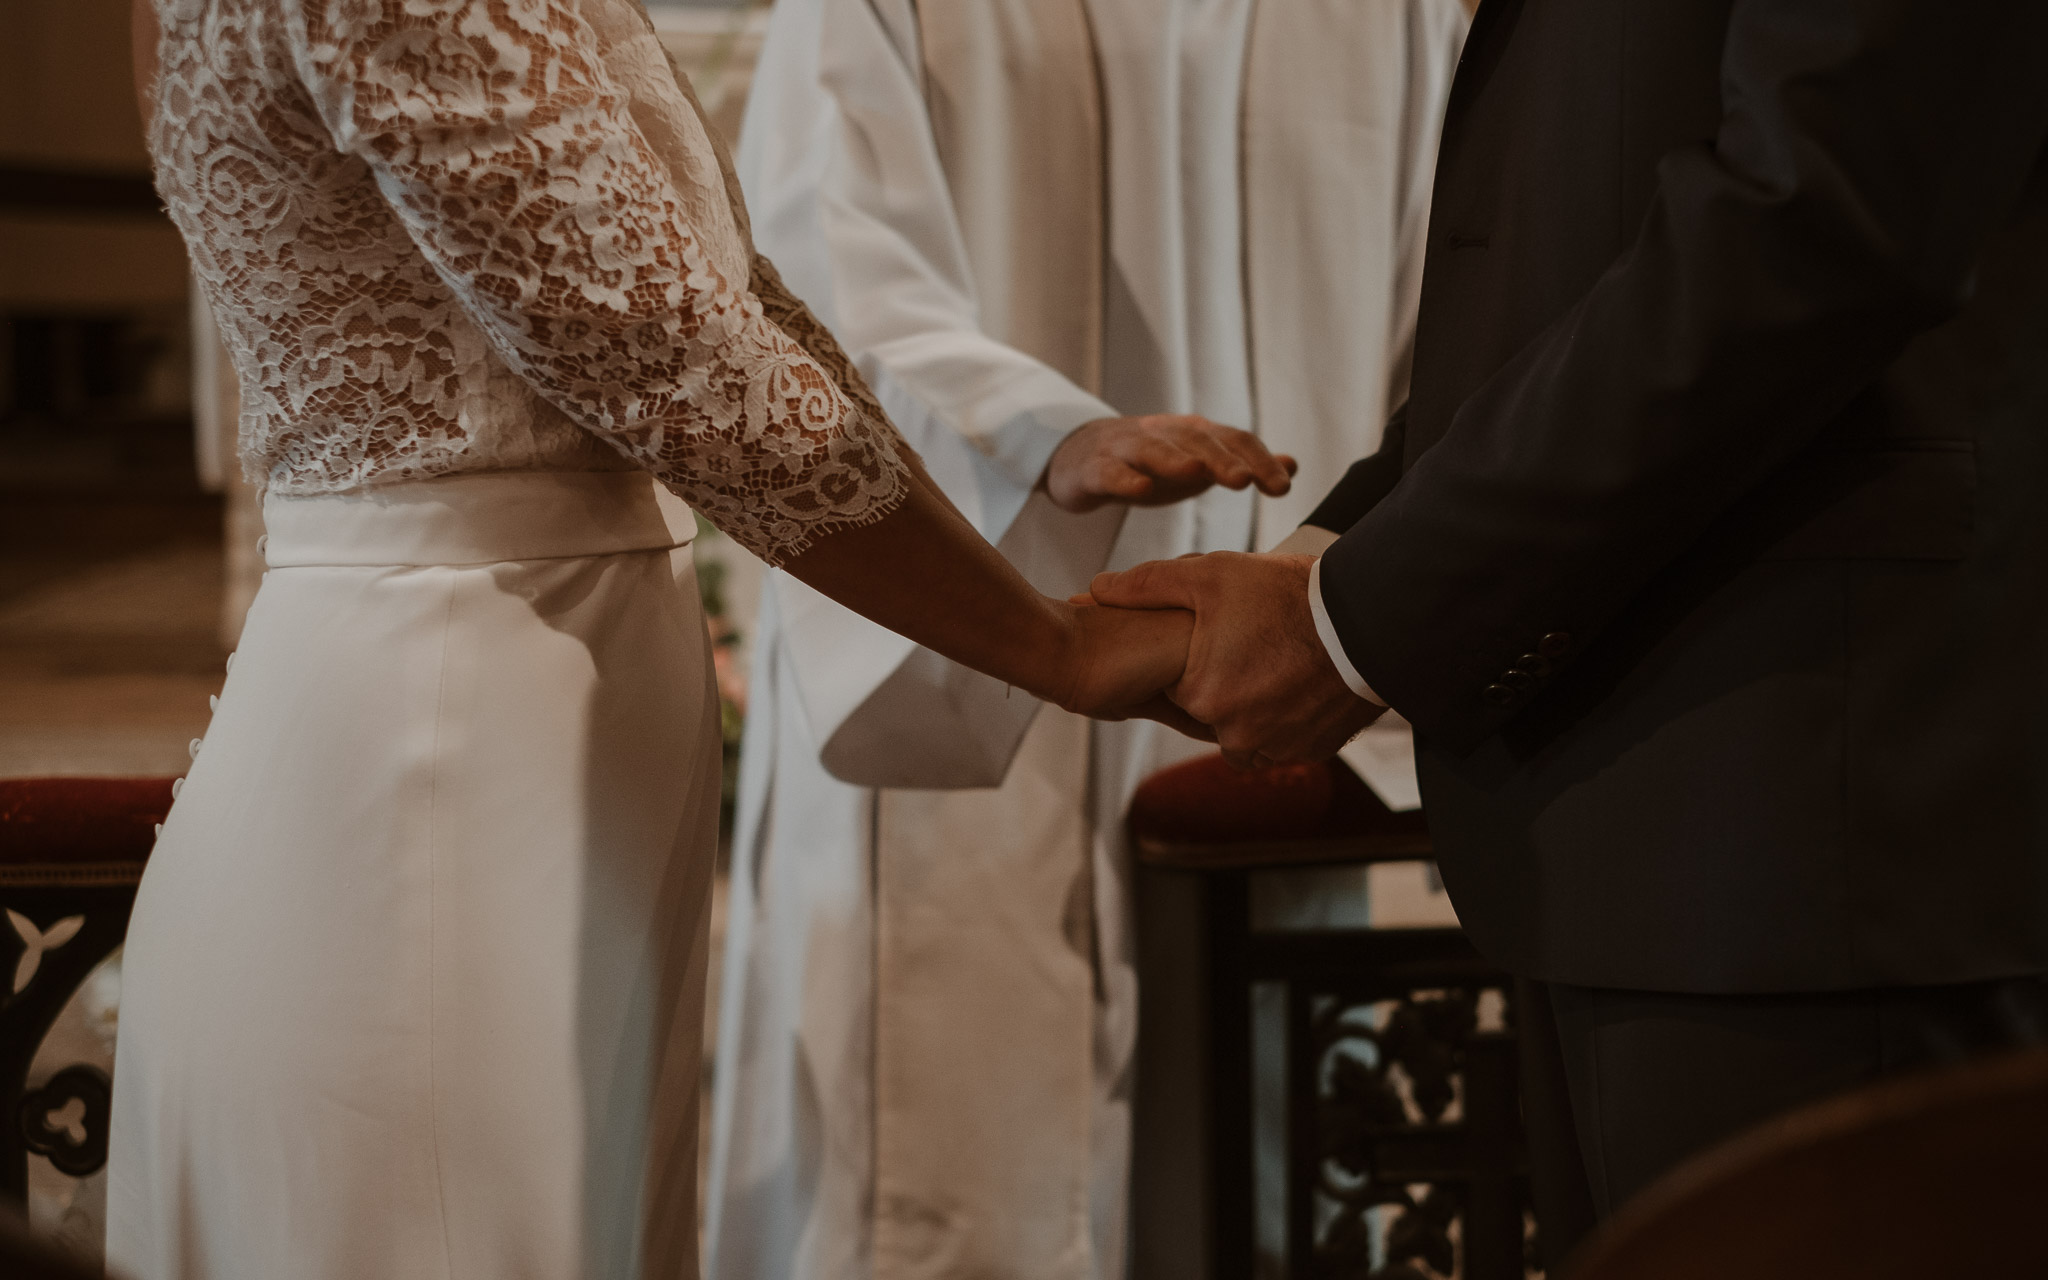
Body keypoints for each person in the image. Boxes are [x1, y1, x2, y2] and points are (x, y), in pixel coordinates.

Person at [109, 0, 1194, 1275]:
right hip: (438, 730)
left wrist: (1017, 577)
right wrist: (1050, 646)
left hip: (524, 689)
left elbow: (725, 294)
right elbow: (658, 350)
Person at [1089, 0, 2048, 1264]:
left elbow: (1820, 210)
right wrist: (1340, 561)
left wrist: (1362, 621)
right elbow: (1577, 241)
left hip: (1811, 799)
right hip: (1657, 792)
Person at [701, 1, 1468, 1277]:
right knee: (952, 1149)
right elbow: (818, 280)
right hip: (976, 642)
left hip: (1275, 663)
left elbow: (1451, 312)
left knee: (1250, 1140)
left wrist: (1353, 589)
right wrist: (1036, 433)